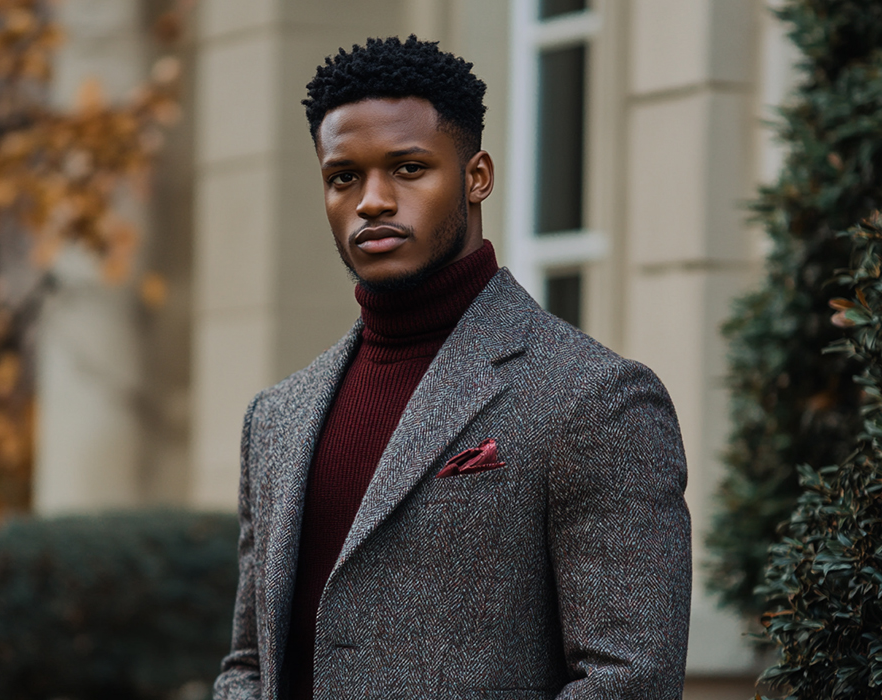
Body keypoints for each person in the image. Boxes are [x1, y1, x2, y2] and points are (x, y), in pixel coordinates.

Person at [213, 36, 691, 700]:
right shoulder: (276, 418)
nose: (372, 200)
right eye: (343, 176)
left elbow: (630, 677)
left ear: (476, 176)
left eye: (408, 168)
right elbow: (248, 665)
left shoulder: (594, 398)